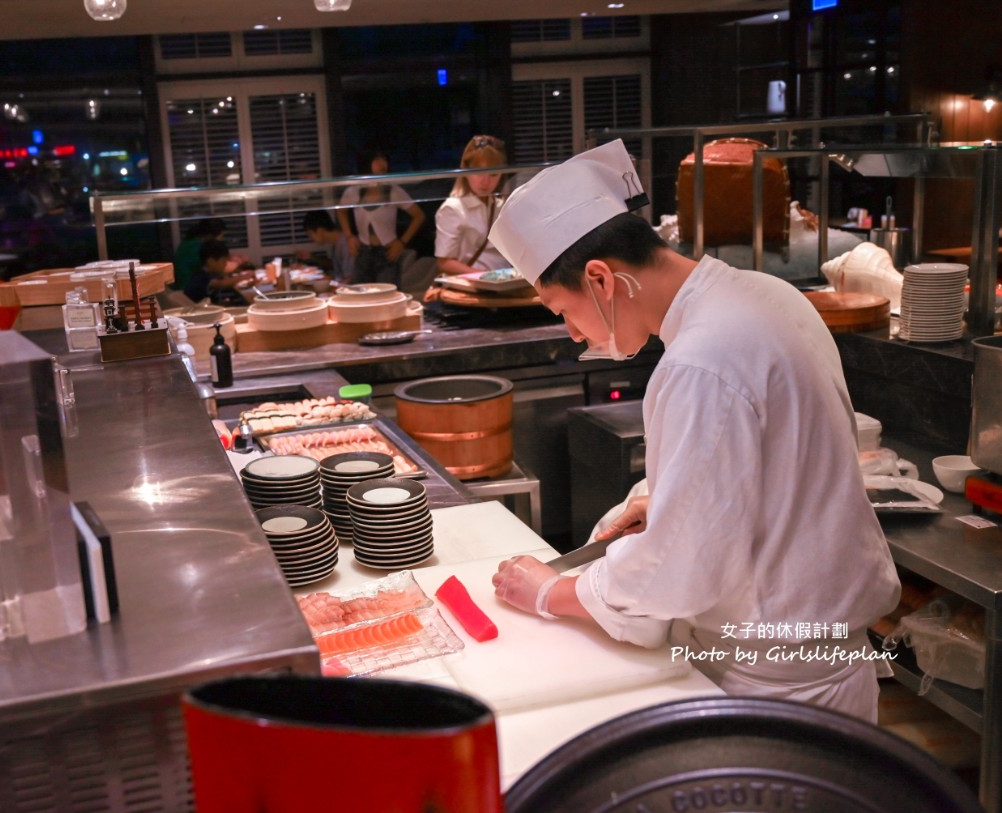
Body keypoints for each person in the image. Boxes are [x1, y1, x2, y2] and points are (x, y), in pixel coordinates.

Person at [487, 139, 901, 723]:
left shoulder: (698, 362)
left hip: (772, 685)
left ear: (601, 279)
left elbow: (681, 573)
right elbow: (775, 464)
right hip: (828, 658)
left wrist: (550, 592)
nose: (575, 336)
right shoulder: (768, 294)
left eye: (562, 311)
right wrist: (667, 502)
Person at [337, 150, 425, 286]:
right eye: (376, 159)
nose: (381, 163)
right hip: (363, 252)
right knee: (360, 299)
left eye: (384, 158)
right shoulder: (354, 191)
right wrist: (349, 236)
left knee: (386, 299)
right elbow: (341, 211)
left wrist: (402, 243)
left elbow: (419, 216)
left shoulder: (393, 191)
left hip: (387, 253)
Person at [434, 135, 511, 276]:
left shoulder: (501, 205)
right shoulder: (453, 208)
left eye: (493, 174)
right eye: (479, 172)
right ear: (466, 171)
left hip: (505, 280)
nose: (485, 181)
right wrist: (485, 276)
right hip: (472, 283)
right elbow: (444, 262)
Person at [187, 239, 251, 306]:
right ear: (211, 262)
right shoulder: (201, 277)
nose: (225, 264)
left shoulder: (211, 273)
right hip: (199, 310)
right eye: (223, 261)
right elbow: (221, 283)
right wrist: (243, 277)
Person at [173, 217, 226, 297]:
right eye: (221, 236)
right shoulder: (197, 247)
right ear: (210, 235)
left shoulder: (191, 242)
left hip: (185, 289)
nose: (222, 240)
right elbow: (215, 266)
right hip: (188, 292)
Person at [302, 210, 356, 284]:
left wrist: (328, 281)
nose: (310, 238)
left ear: (320, 231)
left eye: (310, 234)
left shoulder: (345, 245)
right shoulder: (336, 243)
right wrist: (312, 257)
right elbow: (335, 266)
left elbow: (349, 279)